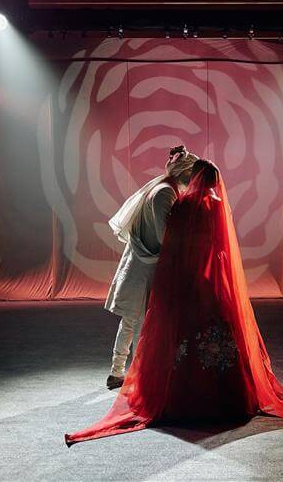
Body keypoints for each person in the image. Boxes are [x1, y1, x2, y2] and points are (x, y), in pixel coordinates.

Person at [66, 159, 283, 445]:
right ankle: (225, 392)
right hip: (212, 276)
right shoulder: (217, 205)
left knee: (171, 331)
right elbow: (218, 247)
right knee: (215, 330)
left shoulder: (184, 205)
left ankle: (166, 386)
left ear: (193, 177)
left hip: (187, 276)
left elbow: (174, 244)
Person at [103, 145, 199, 390]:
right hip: (144, 266)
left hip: (145, 262)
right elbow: (163, 234)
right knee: (136, 319)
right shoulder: (165, 193)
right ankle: (130, 372)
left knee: (133, 319)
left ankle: (120, 370)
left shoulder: (166, 189)